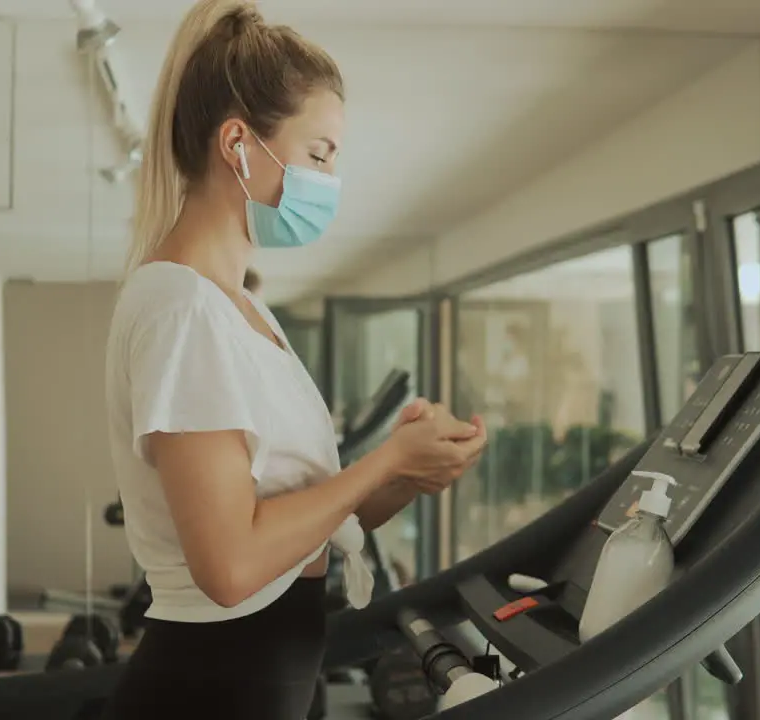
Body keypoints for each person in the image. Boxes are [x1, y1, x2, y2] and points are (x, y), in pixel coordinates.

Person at [100, 2, 487, 718]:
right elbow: (231, 567)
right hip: (215, 684)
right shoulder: (183, 312)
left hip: (271, 673)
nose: (331, 179)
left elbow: (304, 523)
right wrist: (383, 459)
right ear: (239, 144)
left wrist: (407, 470)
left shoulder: (243, 310)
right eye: (320, 153)